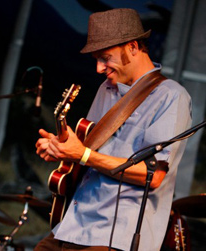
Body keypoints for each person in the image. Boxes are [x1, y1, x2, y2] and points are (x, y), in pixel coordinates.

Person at [35, 8, 192, 251]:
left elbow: (154, 175)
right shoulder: (105, 90)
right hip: (74, 223)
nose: (99, 68)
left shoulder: (171, 97)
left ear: (133, 47)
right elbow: (86, 150)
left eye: (105, 57)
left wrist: (83, 155)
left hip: (116, 235)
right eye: (97, 59)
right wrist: (62, 148)